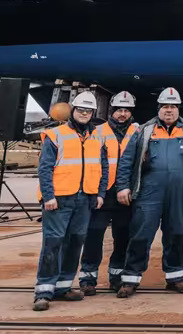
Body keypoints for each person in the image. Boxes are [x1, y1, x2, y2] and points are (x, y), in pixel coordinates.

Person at [113, 87, 183, 297]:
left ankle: (175, 276)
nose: (169, 110)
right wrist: (123, 186)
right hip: (149, 193)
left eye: (173, 107)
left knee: (176, 234)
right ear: (159, 108)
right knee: (141, 234)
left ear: (178, 109)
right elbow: (127, 161)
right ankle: (131, 278)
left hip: (179, 193)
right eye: (166, 106)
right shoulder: (144, 131)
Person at [32, 90, 108, 310]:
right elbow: (45, 169)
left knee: (75, 243)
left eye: (88, 111)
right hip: (59, 199)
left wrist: (100, 193)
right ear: (73, 111)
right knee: (53, 243)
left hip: (84, 199)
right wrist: (48, 196)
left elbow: (102, 168)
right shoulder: (56, 135)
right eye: (81, 110)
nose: (84, 113)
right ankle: (44, 290)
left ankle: (64, 287)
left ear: (93, 113)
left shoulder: (97, 137)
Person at [79, 91, 136, 296]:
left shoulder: (138, 131)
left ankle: (117, 277)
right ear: (112, 111)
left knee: (123, 238)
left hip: (127, 195)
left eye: (126, 110)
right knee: (93, 236)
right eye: (119, 110)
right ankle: (88, 277)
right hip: (102, 194)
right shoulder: (98, 131)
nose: (122, 114)